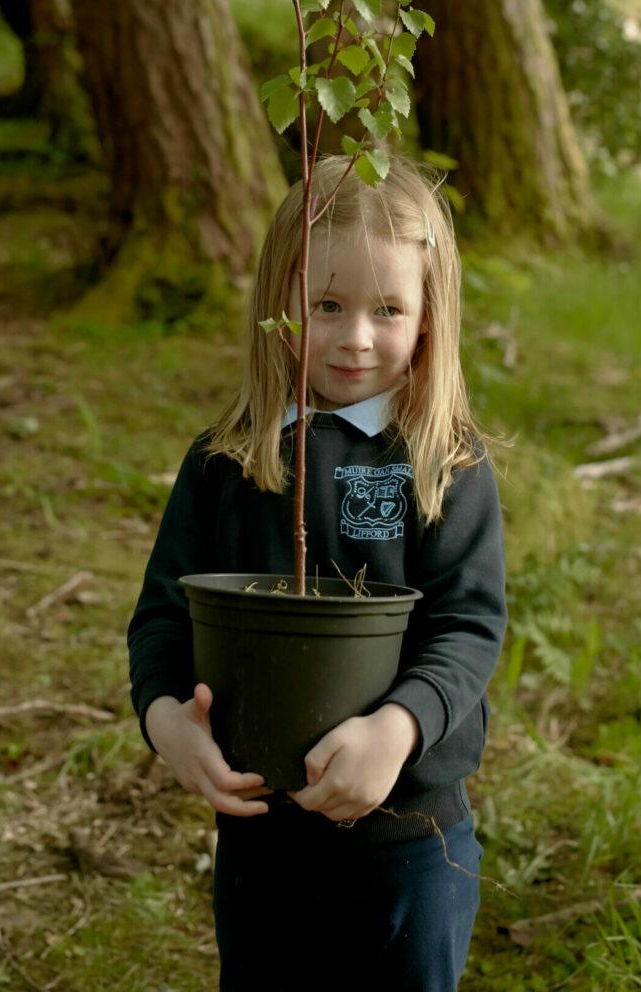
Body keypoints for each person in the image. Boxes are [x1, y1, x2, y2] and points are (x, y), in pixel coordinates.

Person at [128, 154, 508, 991]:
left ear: (429, 316)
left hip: (410, 842)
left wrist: (397, 729)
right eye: (326, 305)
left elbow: (469, 626)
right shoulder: (228, 460)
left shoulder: (443, 464)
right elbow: (163, 615)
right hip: (262, 842)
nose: (357, 336)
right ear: (279, 303)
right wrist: (166, 719)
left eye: (388, 309)